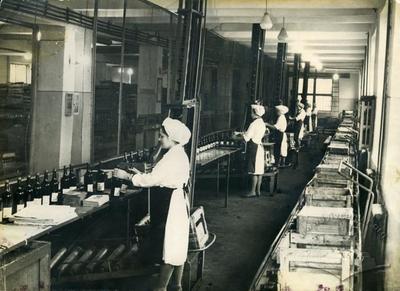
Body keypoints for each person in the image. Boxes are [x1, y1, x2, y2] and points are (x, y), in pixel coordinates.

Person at [113, 117, 191, 291]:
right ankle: (176, 285)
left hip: (170, 205)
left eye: (162, 136)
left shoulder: (171, 158)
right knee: (177, 245)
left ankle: (161, 288)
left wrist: (126, 176)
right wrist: (140, 174)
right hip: (176, 202)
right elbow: (159, 177)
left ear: (172, 138)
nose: (159, 139)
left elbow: (153, 179)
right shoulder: (178, 153)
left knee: (169, 247)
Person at [234, 104, 267, 198]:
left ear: (254, 113)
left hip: (254, 148)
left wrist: (235, 137)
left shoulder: (253, 124)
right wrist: (242, 133)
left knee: (253, 170)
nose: (250, 114)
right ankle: (258, 191)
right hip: (260, 147)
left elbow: (246, 138)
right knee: (259, 171)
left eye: (251, 112)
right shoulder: (261, 122)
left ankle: (252, 191)